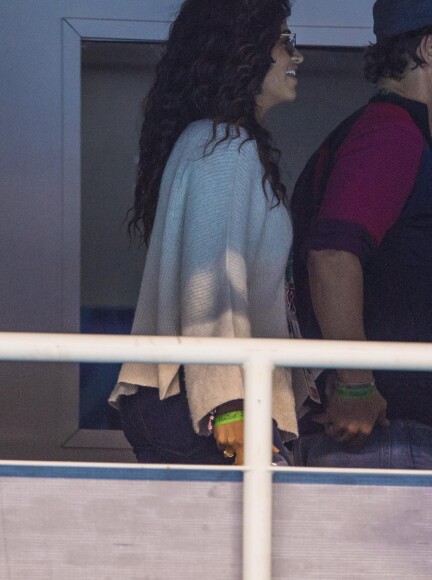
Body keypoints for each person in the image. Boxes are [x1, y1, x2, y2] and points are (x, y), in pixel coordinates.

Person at [290, 0, 432, 469]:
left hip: (382, 435)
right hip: (377, 440)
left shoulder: (388, 134)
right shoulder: (390, 135)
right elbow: (330, 256)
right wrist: (354, 383)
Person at [108, 0, 304, 466]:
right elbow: (210, 281)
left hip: (202, 405)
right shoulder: (224, 147)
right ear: (244, 49)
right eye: (285, 41)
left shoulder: (216, 142)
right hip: (209, 411)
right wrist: (229, 405)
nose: (297, 56)